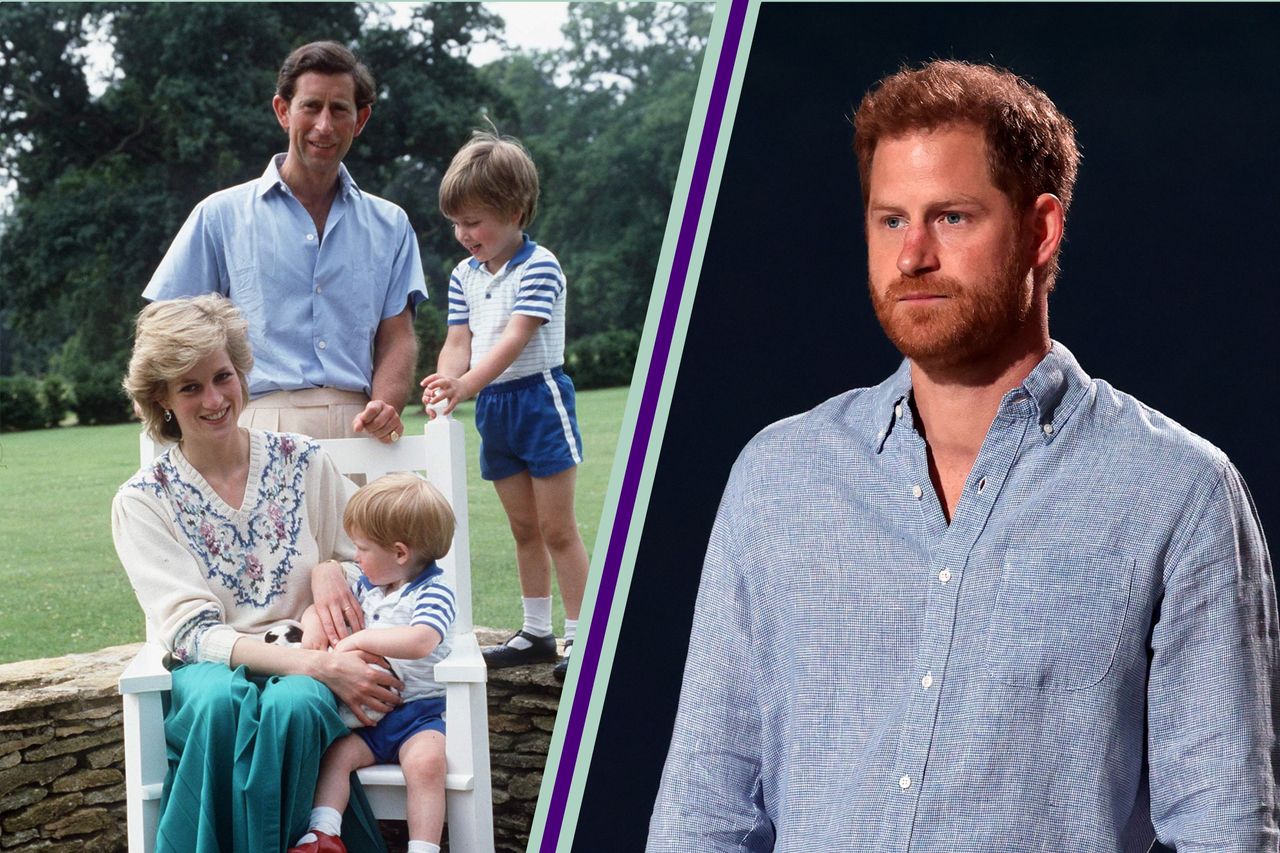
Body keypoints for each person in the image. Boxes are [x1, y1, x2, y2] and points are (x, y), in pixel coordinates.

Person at [648, 60, 1278, 851]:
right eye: (889, 220)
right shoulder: (778, 476)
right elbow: (704, 806)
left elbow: (1225, 828)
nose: (912, 255)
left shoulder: (1178, 493)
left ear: (1039, 230)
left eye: (950, 217)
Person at [112, 294, 398, 853]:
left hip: (308, 662)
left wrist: (328, 575)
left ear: (241, 371)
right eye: (190, 387)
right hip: (212, 673)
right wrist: (320, 664)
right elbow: (193, 635)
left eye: (223, 376)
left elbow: (372, 562)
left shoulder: (303, 458)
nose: (215, 399)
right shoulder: (142, 501)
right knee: (222, 704)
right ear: (161, 399)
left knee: (296, 703)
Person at [143, 40, 426, 445]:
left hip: (361, 426)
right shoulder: (220, 215)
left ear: (360, 119)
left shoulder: (391, 224)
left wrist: (386, 405)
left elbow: (397, 335)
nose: (324, 126)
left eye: (339, 109)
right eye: (311, 106)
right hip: (255, 423)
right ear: (283, 111)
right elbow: (164, 323)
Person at [420, 130, 588, 681]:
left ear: (515, 210)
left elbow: (513, 340)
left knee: (557, 528)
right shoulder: (463, 275)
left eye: (475, 221)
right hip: (495, 407)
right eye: (457, 224)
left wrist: (465, 385)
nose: (465, 235)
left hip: (538, 399)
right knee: (523, 529)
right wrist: (447, 382)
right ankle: (536, 633)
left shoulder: (541, 267)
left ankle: (583, 637)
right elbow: (458, 342)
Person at [289, 473, 457, 853]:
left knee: (427, 764)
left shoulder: (433, 592)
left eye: (362, 549)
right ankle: (323, 835)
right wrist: (314, 621)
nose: (356, 557)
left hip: (421, 714)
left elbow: (421, 640)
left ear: (400, 553)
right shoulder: (370, 586)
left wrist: (359, 640)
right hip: (369, 719)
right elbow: (324, 608)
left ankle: (424, 848)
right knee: (336, 757)